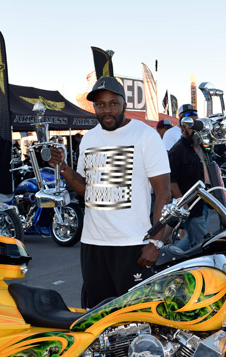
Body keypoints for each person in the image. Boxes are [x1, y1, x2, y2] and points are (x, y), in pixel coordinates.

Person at [54, 76, 171, 307]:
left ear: (124, 104)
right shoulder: (89, 139)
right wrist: (63, 167)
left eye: (113, 104)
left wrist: (156, 242)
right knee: (98, 312)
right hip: (93, 244)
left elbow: (163, 193)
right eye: (100, 105)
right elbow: (86, 188)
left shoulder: (145, 135)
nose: (107, 110)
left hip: (132, 244)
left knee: (135, 315)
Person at [168, 119, 210, 250]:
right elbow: (171, 181)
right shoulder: (177, 150)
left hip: (201, 202)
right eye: (193, 129)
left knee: (193, 239)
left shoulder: (198, 147)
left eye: (198, 129)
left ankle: (174, 256)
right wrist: (182, 201)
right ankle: (172, 256)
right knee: (200, 243)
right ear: (182, 130)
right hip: (189, 205)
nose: (196, 132)